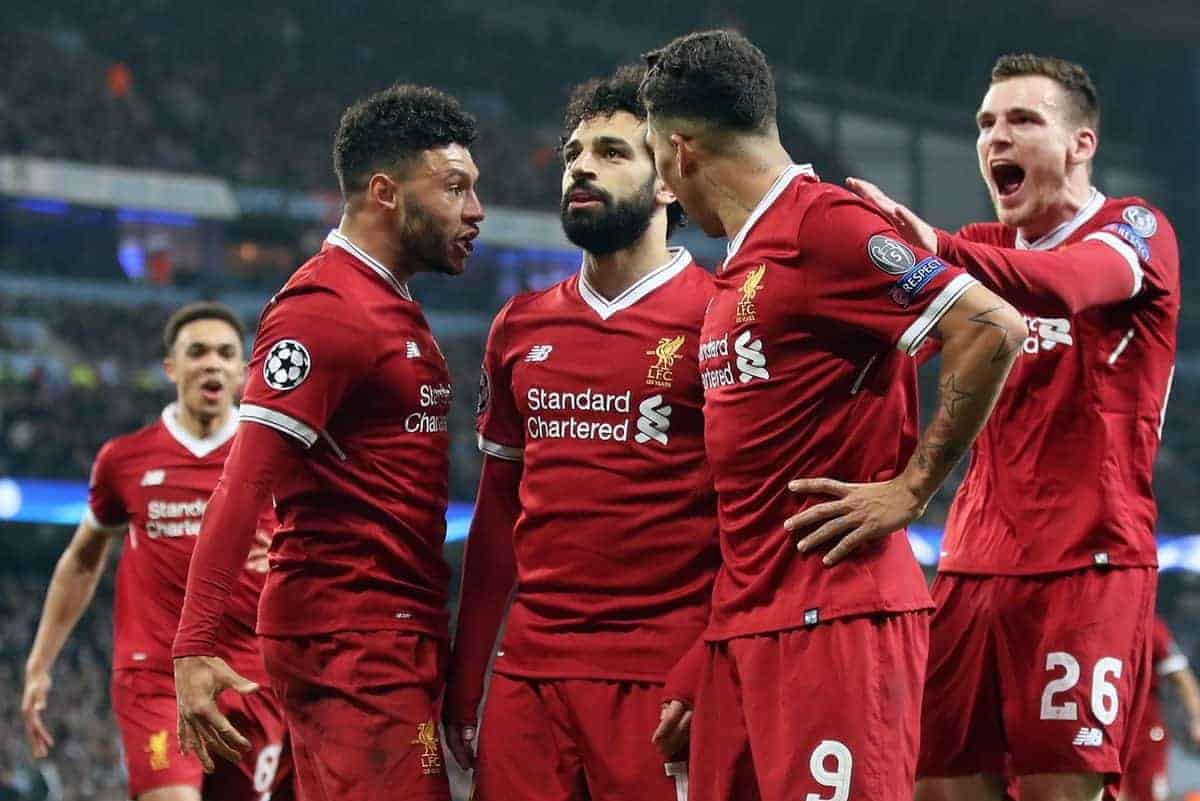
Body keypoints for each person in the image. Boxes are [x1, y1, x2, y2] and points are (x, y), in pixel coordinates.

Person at [638, 29, 1024, 801]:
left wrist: (911, 490)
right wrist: (707, 649)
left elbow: (991, 327)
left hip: (837, 619)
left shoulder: (822, 226)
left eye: (654, 164)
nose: (663, 192)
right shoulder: (744, 264)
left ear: (680, 152)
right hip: (748, 630)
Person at [846, 53, 1180, 801]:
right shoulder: (984, 249)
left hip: (1088, 563)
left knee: (1060, 793)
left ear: (1080, 144)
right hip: (971, 563)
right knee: (938, 786)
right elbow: (883, 334)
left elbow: (1063, 285)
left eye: (1023, 120)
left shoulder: (1135, 229)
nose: (997, 136)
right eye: (986, 123)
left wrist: (931, 248)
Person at [171, 84, 484, 801]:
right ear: (384, 192)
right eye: (455, 188)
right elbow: (244, 481)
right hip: (353, 641)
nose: (475, 210)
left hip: (386, 635)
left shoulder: (390, 304)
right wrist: (193, 643)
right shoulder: (326, 310)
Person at [442, 65, 719, 801]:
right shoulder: (518, 326)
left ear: (668, 181)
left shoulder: (719, 317)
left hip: (663, 676)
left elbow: (751, 518)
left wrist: (704, 666)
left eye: (612, 152)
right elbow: (498, 513)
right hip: (530, 674)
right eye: (572, 154)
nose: (582, 167)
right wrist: (468, 678)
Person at [21, 302, 292, 801]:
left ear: (243, 371)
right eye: (198, 352)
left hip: (251, 676)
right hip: (156, 675)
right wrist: (40, 663)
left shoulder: (278, 463)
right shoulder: (124, 460)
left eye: (225, 353)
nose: (211, 362)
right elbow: (82, 560)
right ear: (172, 367)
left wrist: (283, 557)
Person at [1120, 614, 1200, 801]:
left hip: (1147, 734)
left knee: (1148, 795)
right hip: (1112, 733)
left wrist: (1197, 719)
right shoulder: (1103, 620)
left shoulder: (1152, 627)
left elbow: (1182, 677)